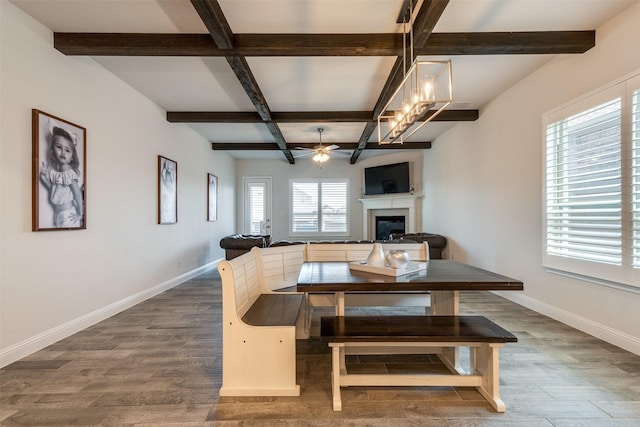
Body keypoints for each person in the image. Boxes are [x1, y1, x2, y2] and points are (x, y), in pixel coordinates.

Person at [39, 122, 83, 227]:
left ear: (72, 156)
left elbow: (77, 193)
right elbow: (54, 190)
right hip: (58, 214)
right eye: (59, 147)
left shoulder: (65, 169)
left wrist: (80, 214)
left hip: (68, 214)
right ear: (52, 150)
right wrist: (44, 178)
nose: (63, 152)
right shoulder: (57, 170)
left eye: (67, 150)